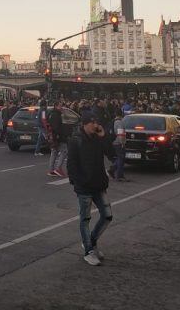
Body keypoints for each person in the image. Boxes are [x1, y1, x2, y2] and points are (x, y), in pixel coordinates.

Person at [67, 114, 115, 266]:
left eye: (97, 123)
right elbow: (71, 164)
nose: (96, 126)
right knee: (85, 218)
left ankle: (91, 242)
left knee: (107, 216)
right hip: (84, 186)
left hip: (99, 184)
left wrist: (104, 136)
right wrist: (79, 181)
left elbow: (112, 155)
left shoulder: (98, 138)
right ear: (86, 124)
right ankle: (88, 251)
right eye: (94, 123)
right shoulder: (76, 140)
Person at [48, 101, 69, 177]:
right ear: (56, 106)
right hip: (58, 136)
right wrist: (60, 136)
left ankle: (51, 170)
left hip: (53, 136)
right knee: (64, 151)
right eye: (60, 106)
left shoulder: (51, 113)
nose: (61, 108)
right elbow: (57, 127)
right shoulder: (56, 115)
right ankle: (58, 168)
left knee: (54, 152)